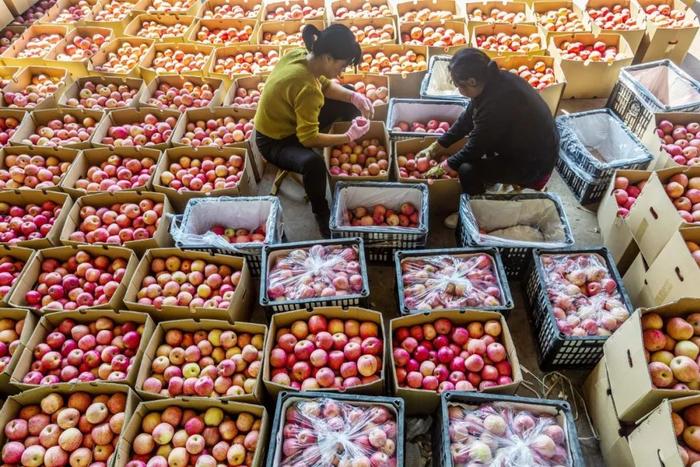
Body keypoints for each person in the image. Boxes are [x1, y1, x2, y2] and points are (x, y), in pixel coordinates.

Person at [254, 24, 373, 238]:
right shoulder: (307, 89)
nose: (342, 72)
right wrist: (347, 137)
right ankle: (322, 213)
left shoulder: (303, 55)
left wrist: (354, 97)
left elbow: (325, 85)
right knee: (313, 164)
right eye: (343, 65)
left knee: (349, 94)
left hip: (289, 119)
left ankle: (344, 153)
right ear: (328, 58)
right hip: (275, 141)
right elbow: (308, 138)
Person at [419, 48, 559, 228]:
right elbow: (467, 119)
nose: (458, 89)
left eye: (458, 85)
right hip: (527, 146)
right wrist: (436, 146)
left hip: (535, 163)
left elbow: (476, 146)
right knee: (474, 156)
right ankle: (490, 188)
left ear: (472, 81)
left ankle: (477, 213)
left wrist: (442, 167)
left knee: (468, 169)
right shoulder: (493, 81)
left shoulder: (498, 103)